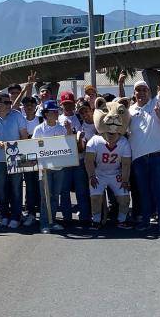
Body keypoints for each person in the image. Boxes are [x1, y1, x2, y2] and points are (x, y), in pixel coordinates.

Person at [128, 56, 160, 232]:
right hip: (138, 159)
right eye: (138, 90)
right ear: (134, 93)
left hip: (157, 158)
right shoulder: (129, 111)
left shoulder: (156, 104)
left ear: (149, 92)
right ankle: (146, 222)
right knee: (143, 193)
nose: (141, 93)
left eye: (144, 90)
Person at [0, 93, 28, 228]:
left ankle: (16, 216)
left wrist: (19, 150)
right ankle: (4, 214)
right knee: (1, 189)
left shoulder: (17, 115)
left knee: (16, 188)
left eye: (10, 102)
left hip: (16, 158)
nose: (10, 104)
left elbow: (24, 136)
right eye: (6, 102)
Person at [33, 100, 69, 233]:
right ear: (46, 114)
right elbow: (34, 147)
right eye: (52, 112)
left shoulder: (61, 129)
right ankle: (44, 224)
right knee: (45, 197)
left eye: (56, 111)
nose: (55, 114)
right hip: (44, 168)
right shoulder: (39, 129)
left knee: (55, 195)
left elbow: (67, 147)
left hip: (59, 167)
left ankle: (52, 221)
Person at [84, 128, 132, 229]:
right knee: (95, 197)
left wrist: (125, 180)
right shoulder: (95, 140)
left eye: (114, 133)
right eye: (109, 133)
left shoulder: (123, 142)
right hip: (99, 173)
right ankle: (96, 220)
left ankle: (122, 220)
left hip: (115, 173)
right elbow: (88, 161)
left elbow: (126, 164)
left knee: (124, 198)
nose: (112, 136)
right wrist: (91, 176)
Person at [58, 91, 91, 225]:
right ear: (61, 104)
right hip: (64, 161)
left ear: (74, 104)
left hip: (79, 159)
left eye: (70, 103)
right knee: (64, 191)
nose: (67, 106)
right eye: (65, 104)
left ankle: (84, 217)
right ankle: (67, 218)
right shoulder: (57, 119)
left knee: (81, 190)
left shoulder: (80, 117)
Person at [20, 95, 40, 226]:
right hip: (25, 157)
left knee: (41, 184)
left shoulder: (41, 119)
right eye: (26, 105)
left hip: (41, 157)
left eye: (32, 105)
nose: (29, 107)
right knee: (29, 184)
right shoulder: (20, 121)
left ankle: (43, 211)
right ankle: (30, 211)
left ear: (35, 107)